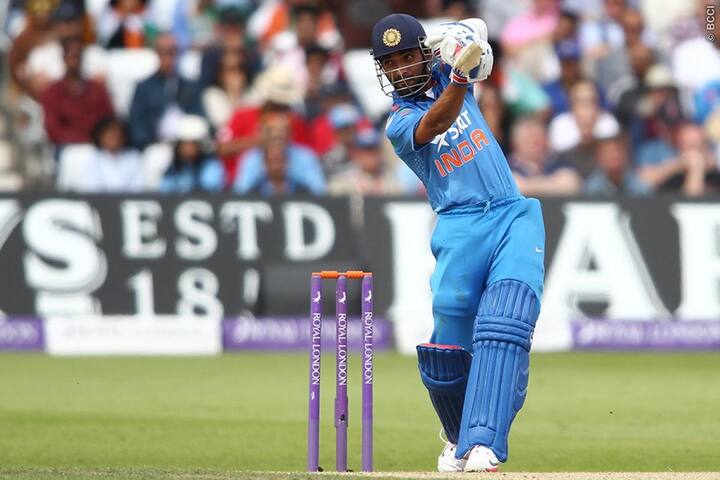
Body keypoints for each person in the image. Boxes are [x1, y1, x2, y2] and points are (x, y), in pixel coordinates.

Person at [371, 14, 544, 473]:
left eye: (407, 57)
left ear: (423, 53)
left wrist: (460, 42)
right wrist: (462, 76)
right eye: (390, 63)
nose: (400, 69)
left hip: (511, 213)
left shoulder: (447, 70)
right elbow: (437, 121)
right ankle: (457, 437)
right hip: (458, 226)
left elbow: (478, 31)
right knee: (446, 354)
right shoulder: (400, 122)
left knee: (505, 323)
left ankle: (484, 442)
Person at [159, 115, 225, 193]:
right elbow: (165, 189)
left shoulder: (210, 166)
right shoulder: (174, 167)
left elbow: (209, 188)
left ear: (201, 145)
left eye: (192, 144)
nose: (187, 149)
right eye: (184, 144)